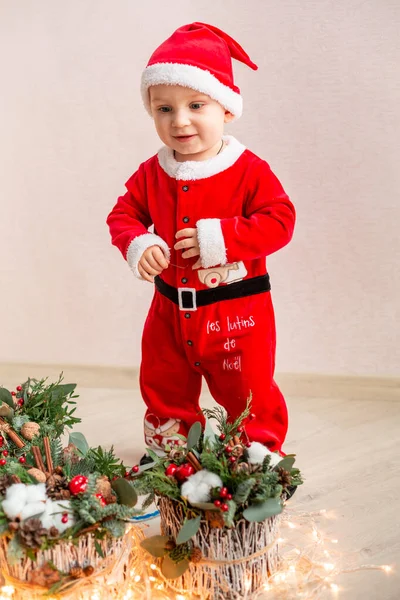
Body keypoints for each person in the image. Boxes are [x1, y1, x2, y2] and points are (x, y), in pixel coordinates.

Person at [107, 22, 295, 460]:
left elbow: (281, 220)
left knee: (246, 389)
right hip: (170, 311)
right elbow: (123, 214)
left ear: (226, 109)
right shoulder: (153, 172)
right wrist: (137, 242)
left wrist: (221, 238)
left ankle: (259, 458)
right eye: (164, 109)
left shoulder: (249, 171)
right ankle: (172, 457)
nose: (180, 120)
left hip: (236, 316)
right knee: (163, 383)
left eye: (196, 104)